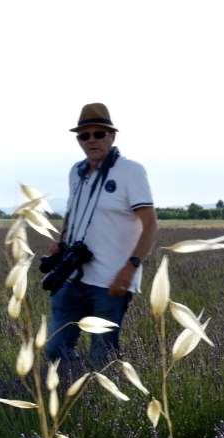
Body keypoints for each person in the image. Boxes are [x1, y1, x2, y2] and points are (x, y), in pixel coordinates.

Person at [45, 102, 158, 362]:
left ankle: (97, 399)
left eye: (99, 134)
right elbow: (71, 213)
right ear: (78, 140)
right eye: (85, 135)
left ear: (112, 136)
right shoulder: (76, 171)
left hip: (110, 282)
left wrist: (131, 268)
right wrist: (62, 241)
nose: (91, 140)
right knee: (54, 350)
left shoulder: (130, 171)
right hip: (72, 276)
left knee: (102, 357)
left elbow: (150, 224)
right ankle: (68, 394)